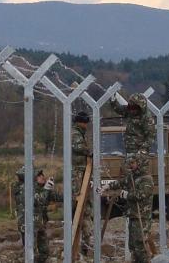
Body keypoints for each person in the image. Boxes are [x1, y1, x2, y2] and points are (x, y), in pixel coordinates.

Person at [99, 154, 154, 263]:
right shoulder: (132, 177)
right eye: (130, 163)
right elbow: (121, 182)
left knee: (141, 245)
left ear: (139, 163)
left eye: (133, 163)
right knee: (133, 246)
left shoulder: (146, 179)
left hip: (141, 216)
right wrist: (107, 186)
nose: (131, 165)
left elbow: (142, 195)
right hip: (133, 215)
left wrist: (126, 195)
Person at [15, 166, 61, 263]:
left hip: (39, 224)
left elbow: (58, 197)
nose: (43, 177)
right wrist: (46, 189)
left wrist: (76, 193)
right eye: (39, 175)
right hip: (28, 225)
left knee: (44, 252)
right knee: (31, 253)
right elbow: (37, 200)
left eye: (42, 174)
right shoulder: (24, 188)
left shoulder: (40, 189)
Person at [71, 107, 93, 255]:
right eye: (85, 123)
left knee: (86, 206)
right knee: (80, 204)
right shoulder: (75, 134)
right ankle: (79, 242)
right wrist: (89, 151)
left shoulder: (80, 133)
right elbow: (77, 147)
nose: (87, 126)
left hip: (83, 170)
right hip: (79, 171)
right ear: (81, 123)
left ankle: (85, 241)